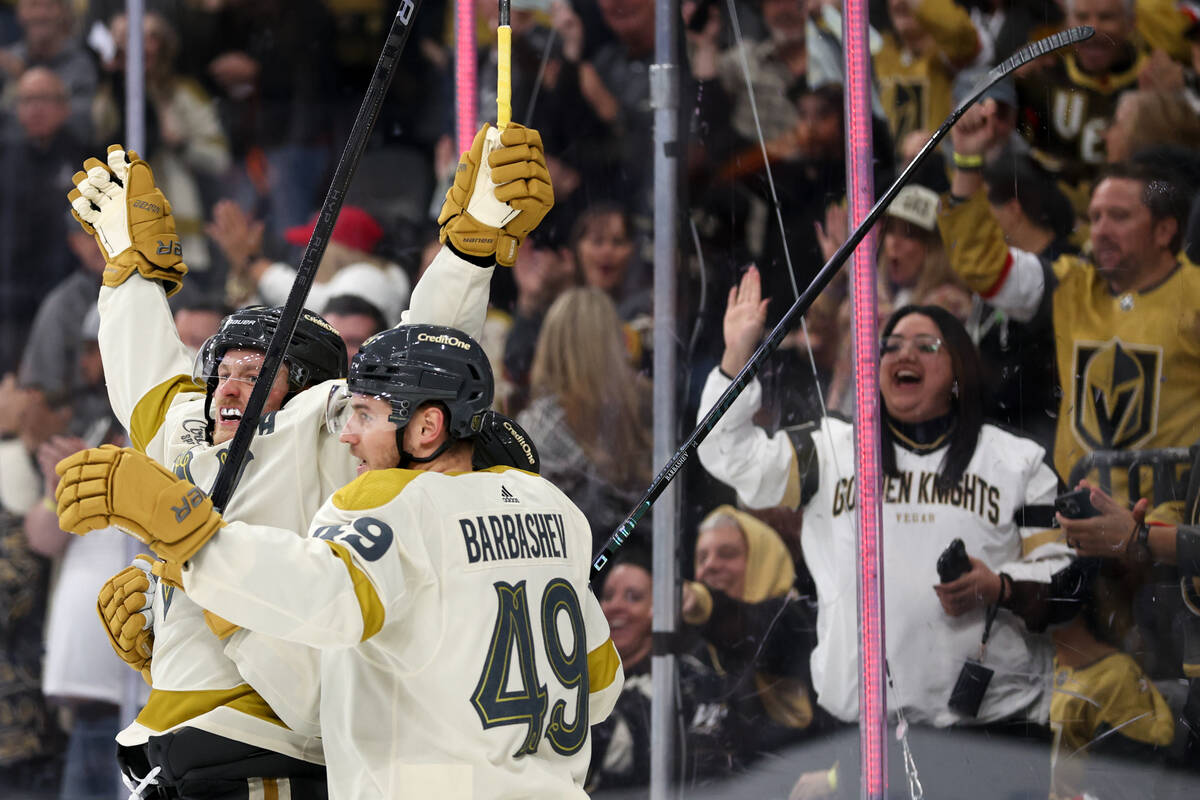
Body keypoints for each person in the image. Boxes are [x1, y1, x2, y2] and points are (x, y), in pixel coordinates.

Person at [66, 120, 553, 796]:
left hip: (276, 758)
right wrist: (128, 276)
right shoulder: (190, 430)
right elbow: (145, 369)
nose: (232, 387)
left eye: (261, 372)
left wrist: (467, 256)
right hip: (168, 760)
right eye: (224, 371)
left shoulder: (324, 432)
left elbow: (417, 364)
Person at [56, 323, 624, 799]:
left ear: (428, 428)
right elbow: (600, 688)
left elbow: (324, 600)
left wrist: (185, 537)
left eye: (367, 415)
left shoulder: (394, 498)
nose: (347, 435)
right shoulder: (555, 512)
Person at [696, 268, 1070, 736]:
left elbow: (1064, 578)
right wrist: (736, 355)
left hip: (993, 738)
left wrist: (1001, 588)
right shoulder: (832, 449)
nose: (902, 355)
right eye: (890, 346)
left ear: (961, 366)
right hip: (864, 743)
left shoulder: (1018, 461)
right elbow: (727, 454)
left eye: (924, 346)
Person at [940, 99, 1200, 509]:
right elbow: (982, 265)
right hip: (1076, 518)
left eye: (1119, 216)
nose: (1101, 231)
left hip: (1168, 534)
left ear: (1165, 230)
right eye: (1094, 218)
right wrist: (968, 161)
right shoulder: (1070, 284)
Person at [517, 287, 652, 549]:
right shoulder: (649, 407)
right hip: (639, 565)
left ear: (552, 344)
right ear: (614, 342)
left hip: (570, 570)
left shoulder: (538, 426)